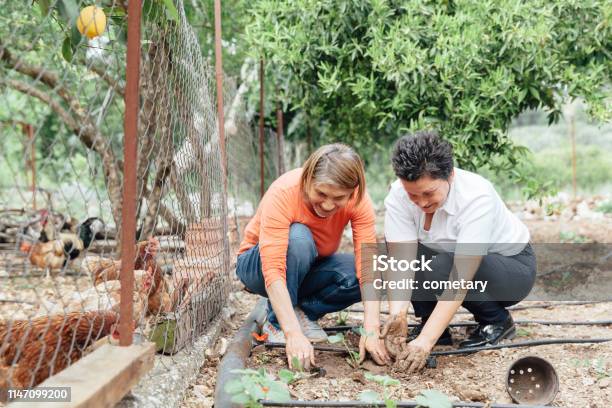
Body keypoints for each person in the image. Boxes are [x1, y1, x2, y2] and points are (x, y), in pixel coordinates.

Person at [382, 131, 536, 372]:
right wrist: (397, 315)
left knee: (442, 266)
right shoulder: (398, 195)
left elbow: (460, 277)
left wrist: (424, 344)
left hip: (512, 270)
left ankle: (496, 321)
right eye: (413, 194)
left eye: (429, 193)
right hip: (445, 258)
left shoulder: (476, 197)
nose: (421, 203)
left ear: (450, 175)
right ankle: (433, 324)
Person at [236, 144, 391, 370]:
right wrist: (292, 334)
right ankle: (277, 324)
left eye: (339, 198)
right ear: (307, 179)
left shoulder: (359, 201)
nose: (328, 205)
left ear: (352, 192)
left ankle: (303, 311)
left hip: (309, 266)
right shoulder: (285, 192)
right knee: (298, 238)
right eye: (321, 193)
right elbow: (274, 270)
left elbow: (367, 265)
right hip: (258, 266)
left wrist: (371, 329)